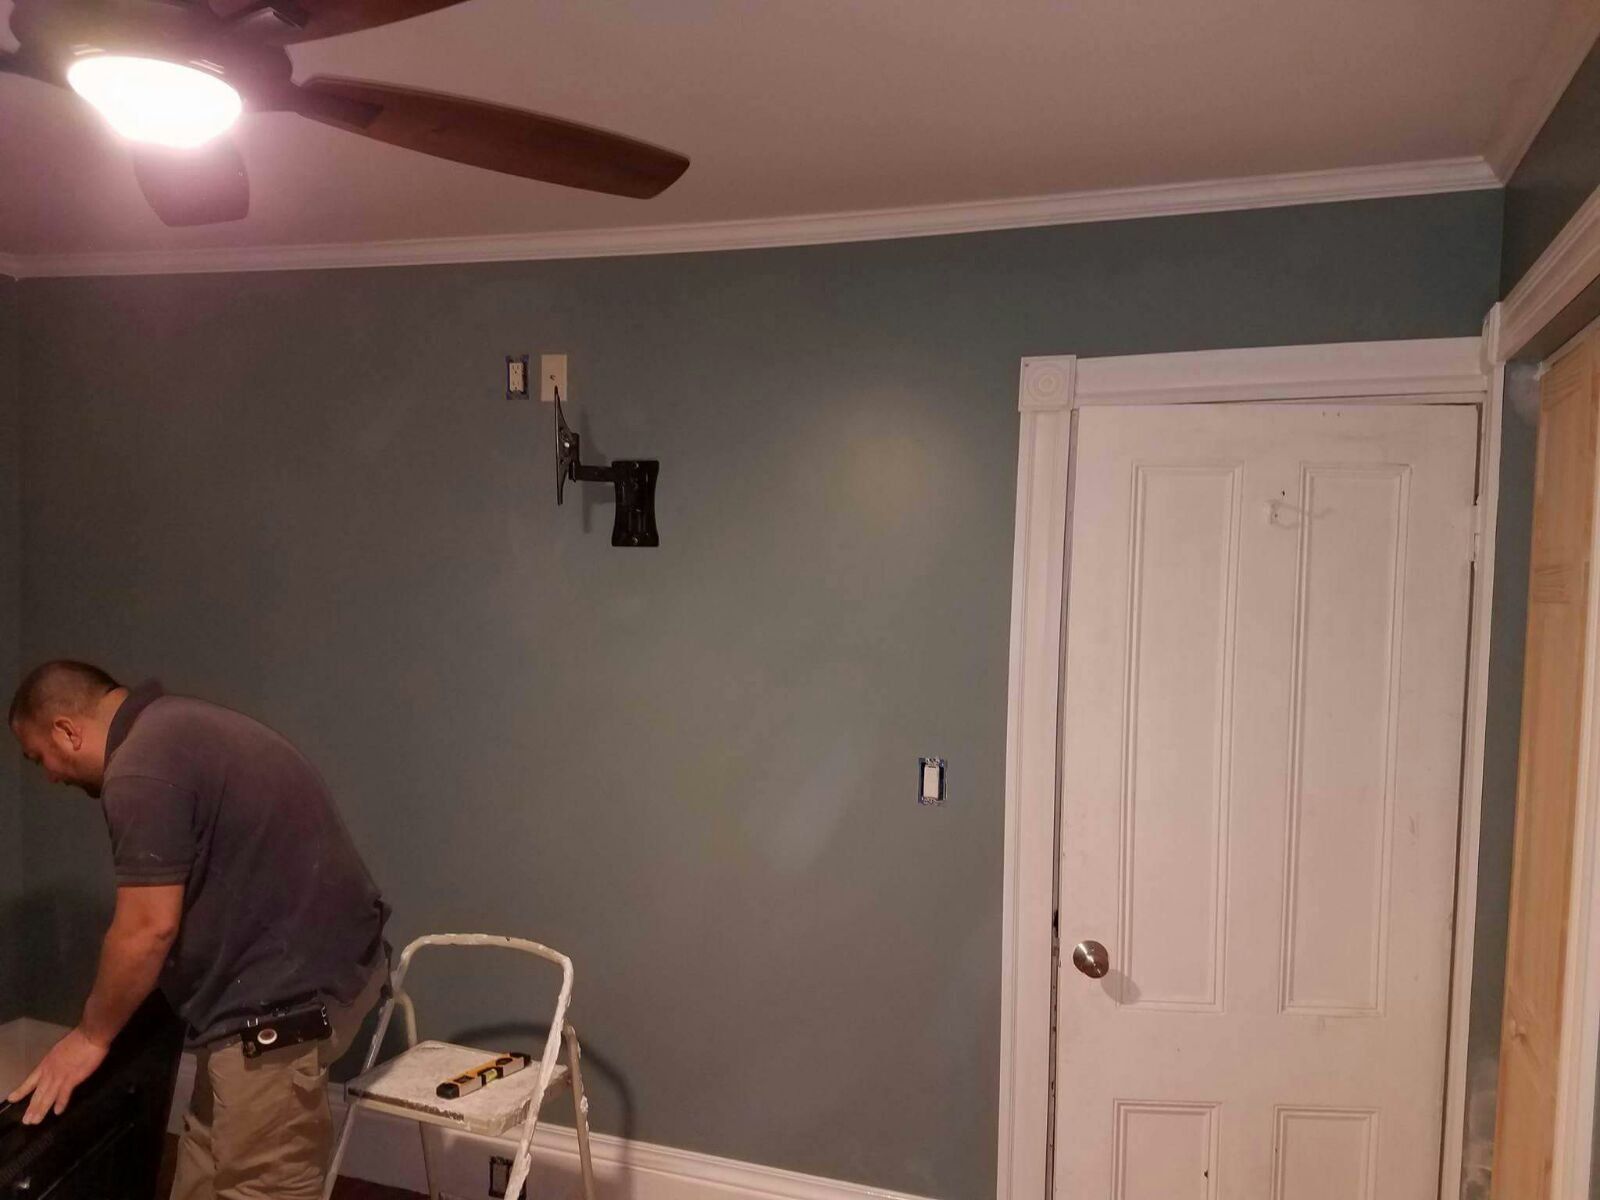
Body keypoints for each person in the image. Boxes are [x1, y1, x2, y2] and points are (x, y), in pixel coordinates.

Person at [6, 661, 389, 1200]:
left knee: (262, 1183)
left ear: (66, 731)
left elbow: (146, 929)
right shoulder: (175, 728)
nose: (50, 776)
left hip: (281, 1005)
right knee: (206, 1163)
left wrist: (90, 1037)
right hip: (297, 974)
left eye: (38, 757)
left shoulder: (140, 770)